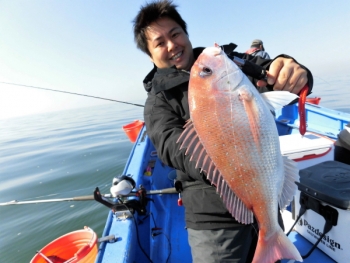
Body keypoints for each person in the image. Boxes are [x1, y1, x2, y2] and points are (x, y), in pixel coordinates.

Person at [132, 1, 313, 262]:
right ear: (150, 55)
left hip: (266, 198)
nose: (171, 45)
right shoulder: (157, 101)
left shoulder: (231, 63)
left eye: (175, 34)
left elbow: (270, 71)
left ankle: (270, 236)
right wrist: (226, 154)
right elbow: (172, 149)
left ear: (186, 33)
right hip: (213, 222)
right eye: (159, 43)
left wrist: (294, 70)